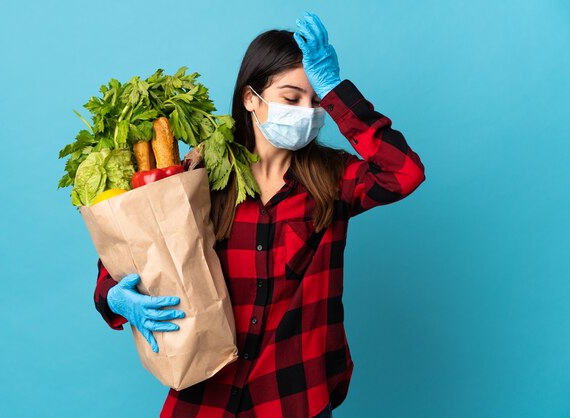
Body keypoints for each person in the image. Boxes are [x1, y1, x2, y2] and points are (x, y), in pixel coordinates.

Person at [93, 11, 426, 418]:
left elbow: (404, 172)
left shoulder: (334, 180)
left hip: (294, 396)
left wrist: (336, 90)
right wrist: (112, 294)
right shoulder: (205, 177)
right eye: (291, 97)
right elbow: (137, 244)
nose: (307, 111)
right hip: (205, 392)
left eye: (315, 101)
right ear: (251, 98)